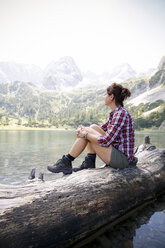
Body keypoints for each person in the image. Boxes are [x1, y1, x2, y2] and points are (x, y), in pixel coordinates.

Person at [47, 83, 136, 175]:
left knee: (88, 132)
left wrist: (85, 135)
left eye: (106, 94)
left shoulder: (121, 114)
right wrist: (83, 130)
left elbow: (106, 141)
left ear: (111, 97)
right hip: (117, 154)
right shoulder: (116, 113)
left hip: (122, 160)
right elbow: (97, 129)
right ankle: (88, 162)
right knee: (92, 127)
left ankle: (67, 161)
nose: (104, 97)